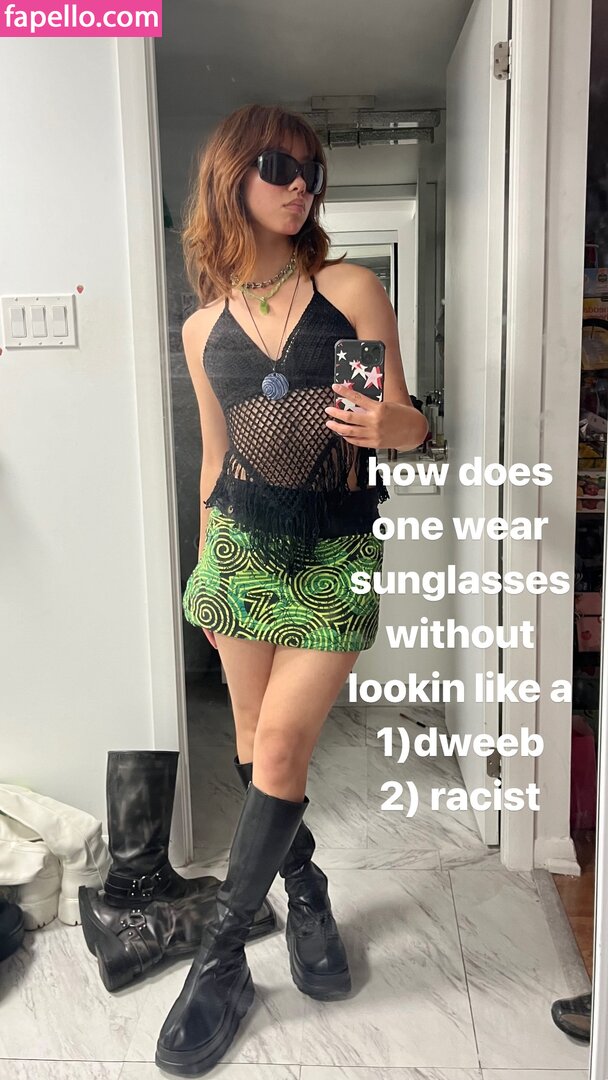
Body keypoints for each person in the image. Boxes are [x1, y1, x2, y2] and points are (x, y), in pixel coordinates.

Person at [155, 103, 428, 1076]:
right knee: (247, 740)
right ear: (231, 176)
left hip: (333, 549)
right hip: (238, 552)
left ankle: (222, 958)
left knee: (280, 743)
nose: (300, 182)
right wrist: (203, 566)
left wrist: (400, 428)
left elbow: (401, 418)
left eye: (311, 169)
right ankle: (305, 893)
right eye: (279, 165)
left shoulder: (346, 290)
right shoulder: (202, 329)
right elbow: (213, 459)